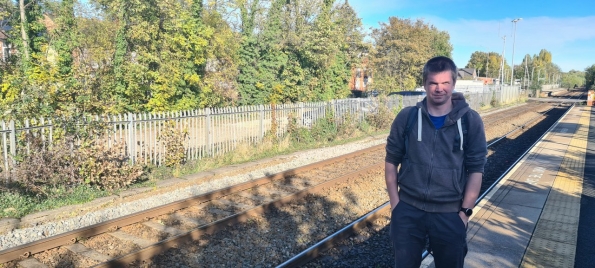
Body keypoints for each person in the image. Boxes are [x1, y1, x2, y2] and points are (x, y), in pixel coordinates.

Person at [384, 56, 487, 268]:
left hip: (450, 214)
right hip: (409, 211)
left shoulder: (470, 121)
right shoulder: (407, 118)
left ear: (453, 84)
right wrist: (396, 205)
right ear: (425, 84)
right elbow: (391, 160)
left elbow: (476, 169)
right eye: (433, 83)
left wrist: (465, 213)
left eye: (445, 83)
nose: (439, 89)